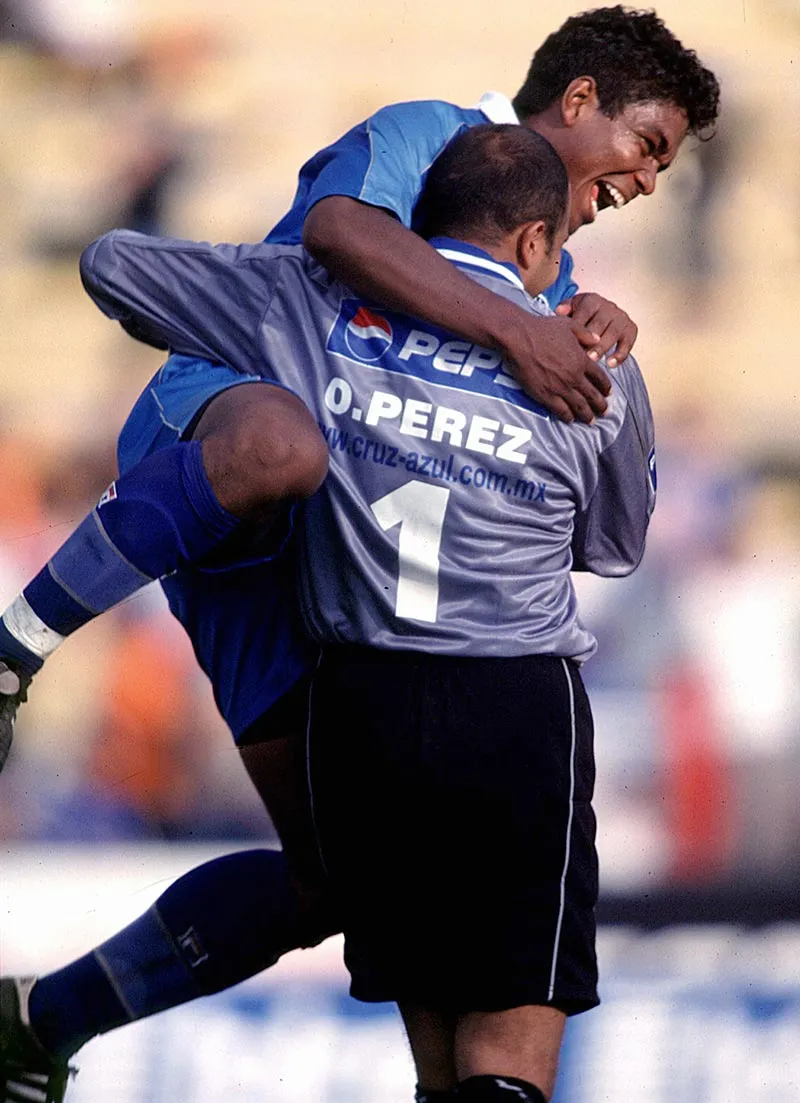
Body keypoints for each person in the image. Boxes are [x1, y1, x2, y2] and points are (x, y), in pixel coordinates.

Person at [0, 6, 718, 1100]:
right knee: (283, 445)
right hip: (235, 416)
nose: (647, 181)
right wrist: (519, 330)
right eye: (647, 148)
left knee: (332, 875)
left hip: (333, 556)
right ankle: (15, 647)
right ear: (577, 102)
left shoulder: (551, 278)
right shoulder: (431, 129)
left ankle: (42, 1019)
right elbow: (336, 233)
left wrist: (576, 323)